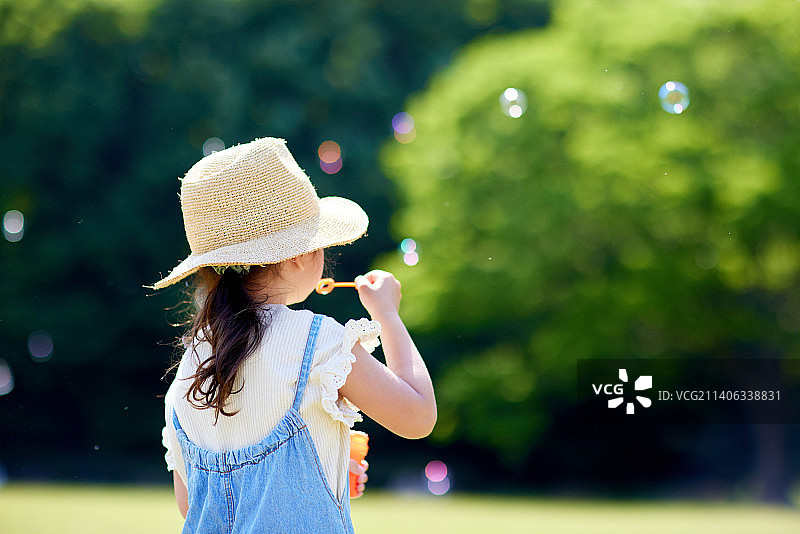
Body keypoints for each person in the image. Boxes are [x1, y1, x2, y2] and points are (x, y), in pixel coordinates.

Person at [151, 137, 437, 533]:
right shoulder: (318, 343)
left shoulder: (191, 367)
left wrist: (320, 470)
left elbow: (194, 506)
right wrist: (388, 315)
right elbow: (417, 416)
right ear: (300, 255)